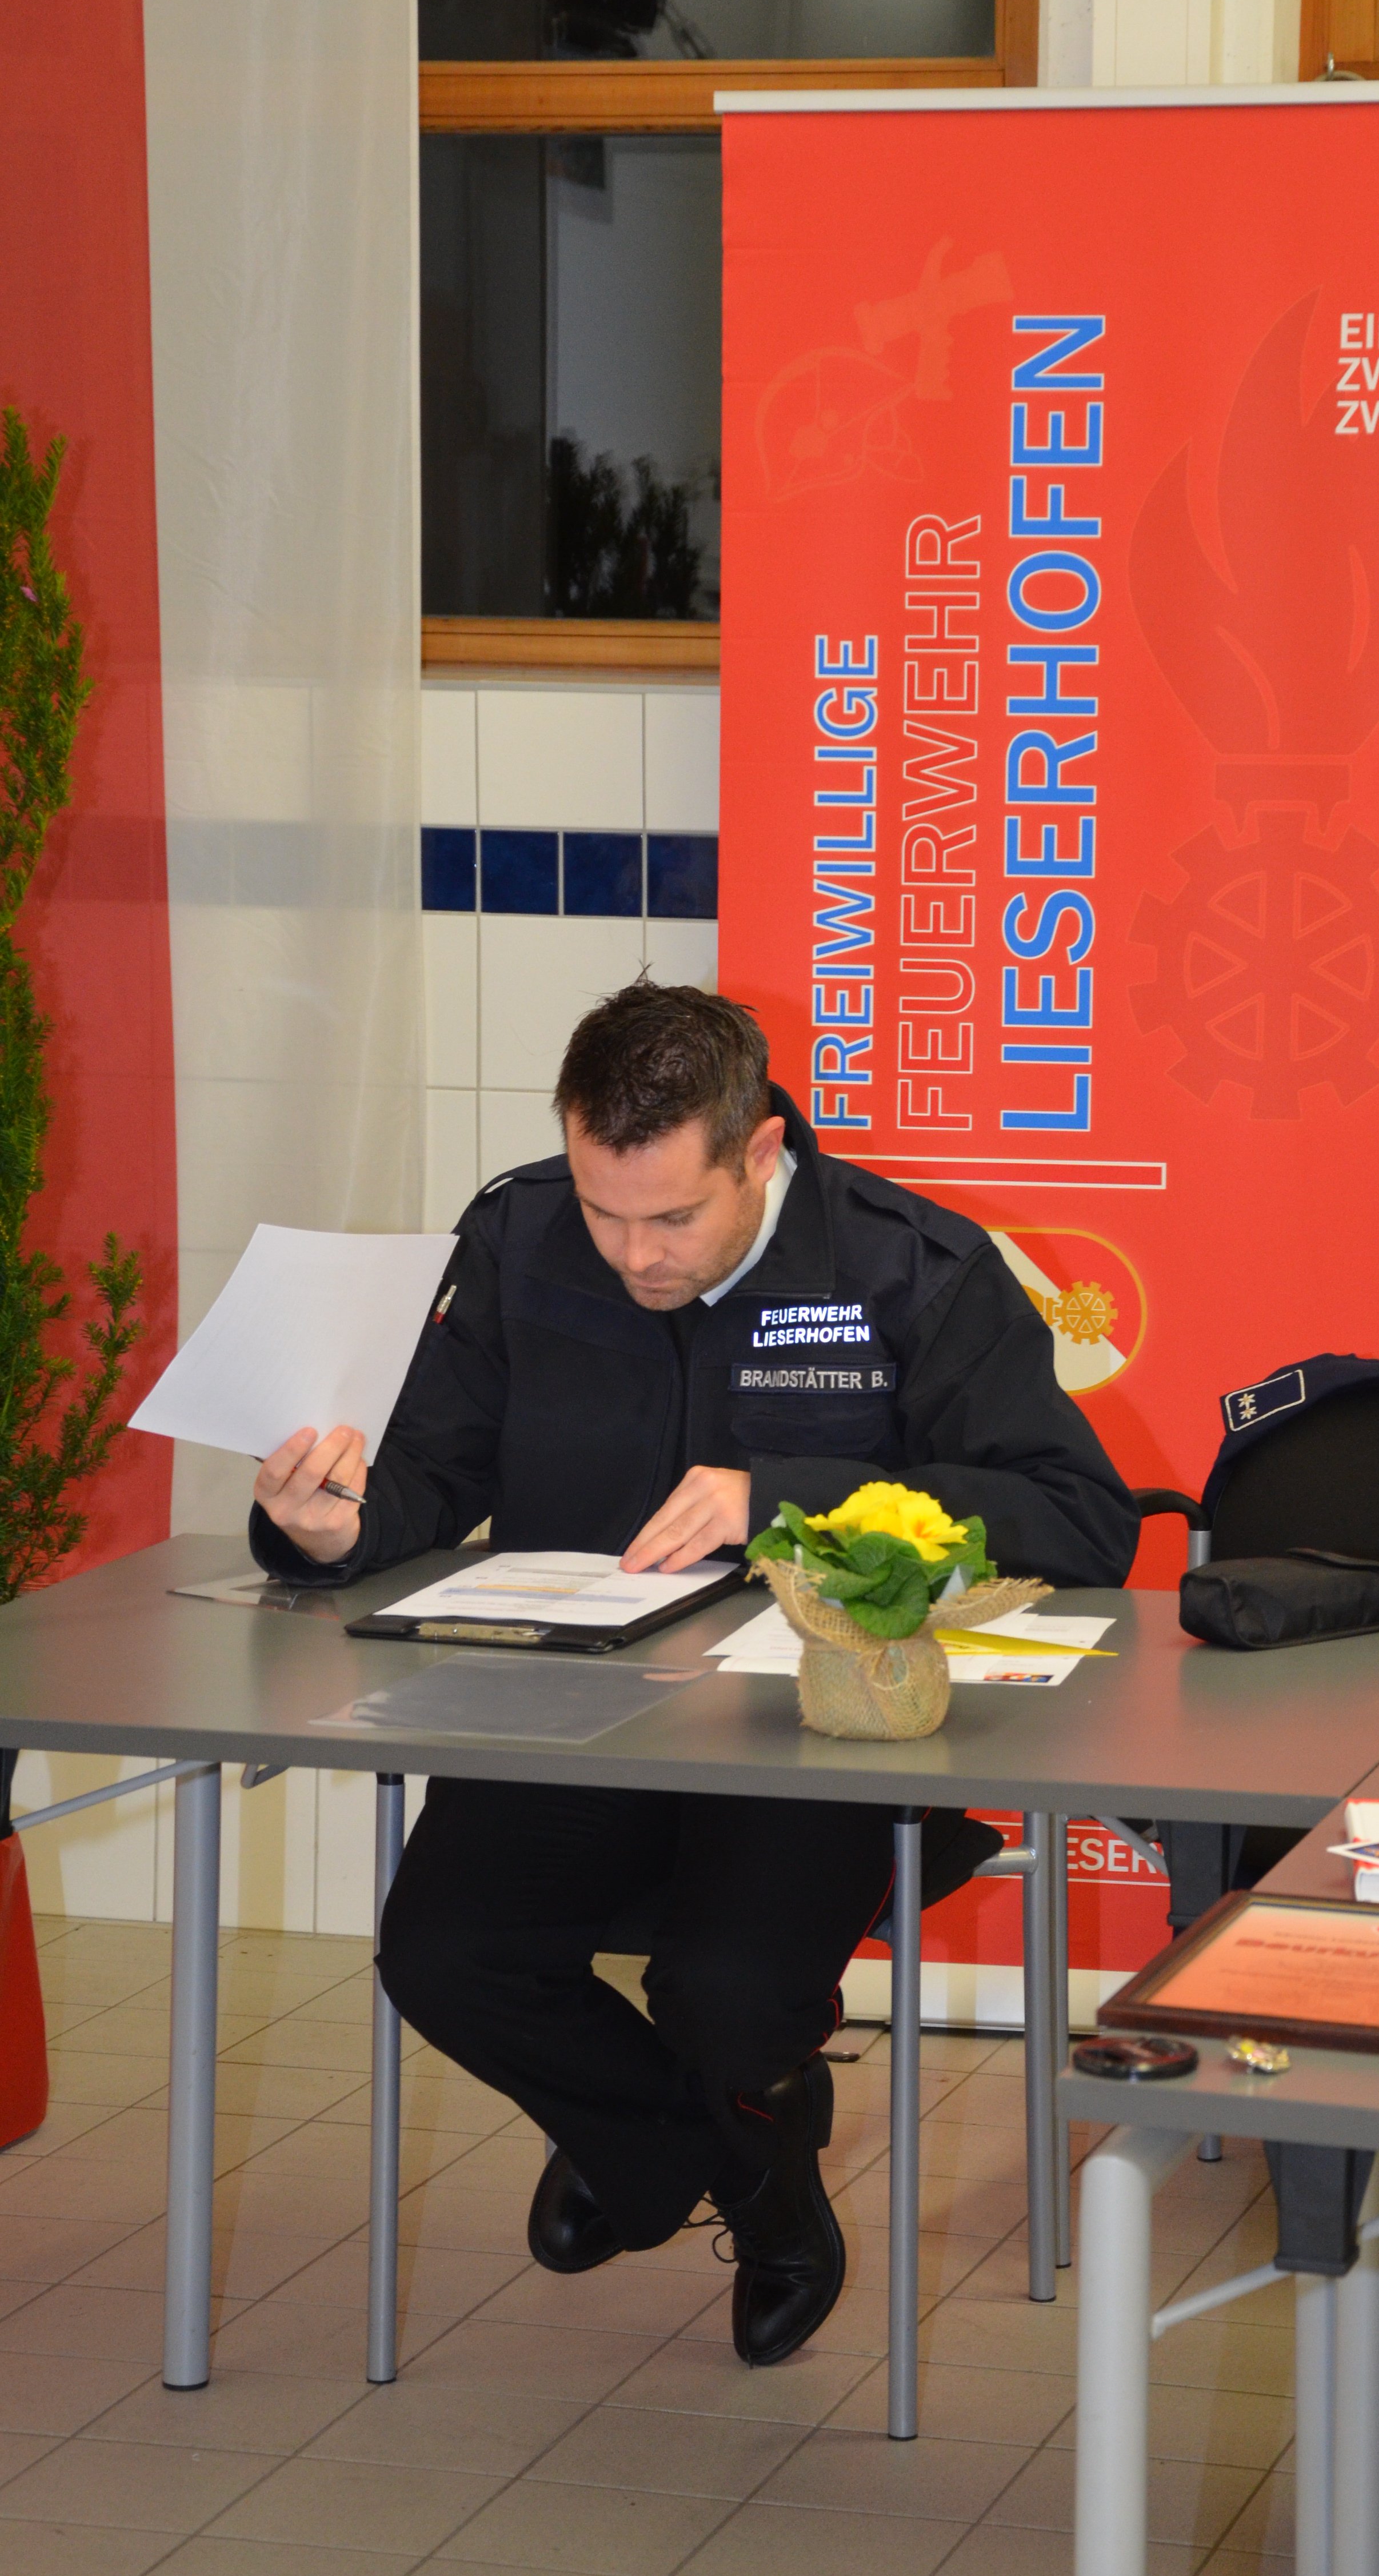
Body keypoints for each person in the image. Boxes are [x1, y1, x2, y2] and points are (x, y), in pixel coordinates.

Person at [251, 982, 1138, 2365]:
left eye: (671, 1218)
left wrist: (784, 1498)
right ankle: (733, 2156)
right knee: (444, 1954)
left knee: (726, 1991)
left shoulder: (912, 1267)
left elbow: (1080, 1520)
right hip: (573, 1708)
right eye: (602, 1210)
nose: (632, 1253)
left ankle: (690, 2126)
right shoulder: (517, 1237)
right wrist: (330, 1529)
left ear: (761, 1149)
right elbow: (431, 1470)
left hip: (814, 1729)